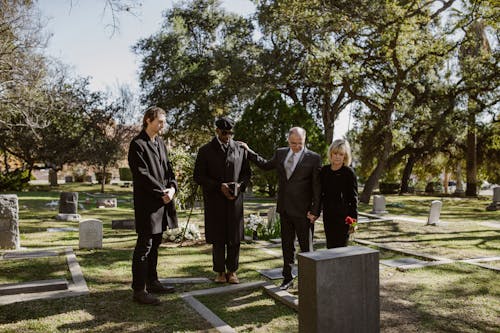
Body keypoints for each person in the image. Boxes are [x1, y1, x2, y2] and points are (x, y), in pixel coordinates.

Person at [241, 127, 321, 290]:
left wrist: (315, 211)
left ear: (305, 139)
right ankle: (287, 278)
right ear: (288, 140)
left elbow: (317, 187)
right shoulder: (281, 153)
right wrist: (249, 152)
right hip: (284, 209)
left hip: (304, 212)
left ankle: (308, 282)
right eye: (293, 143)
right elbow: (264, 165)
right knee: (287, 246)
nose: (297, 146)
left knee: (306, 249)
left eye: (300, 143)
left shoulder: (314, 158)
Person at [128, 106, 178, 305]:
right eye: (160, 121)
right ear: (148, 120)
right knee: (145, 245)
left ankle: (153, 281)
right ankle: (139, 290)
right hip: (147, 204)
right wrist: (161, 192)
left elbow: (169, 170)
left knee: (156, 243)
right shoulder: (137, 144)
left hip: (162, 202)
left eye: (164, 121)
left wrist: (172, 189)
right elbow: (141, 174)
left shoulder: (160, 142)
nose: (163, 125)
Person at [193, 117, 251, 284]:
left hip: (235, 200)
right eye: (225, 133)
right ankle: (219, 271)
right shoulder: (205, 150)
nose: (228, 136)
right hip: (215, 200)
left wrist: (240, 186)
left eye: (231, 133)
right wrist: (219, 186)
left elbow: (247, 173)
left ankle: (232, 271)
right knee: (218, 237)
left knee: (234, 237)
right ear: (217, 131)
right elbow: (198, 176)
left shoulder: (240, 149)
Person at [319, 139, 358, 249]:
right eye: (335, 153)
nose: (337, 156)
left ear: (345, 156)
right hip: (328, 216)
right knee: (330, 247)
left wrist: (354, 223)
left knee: (340, 249)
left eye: (341, 154)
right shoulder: (324, 171)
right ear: (331, 153)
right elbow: (319, 194)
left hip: (344, 219)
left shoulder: (349, 173)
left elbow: (353, 199)